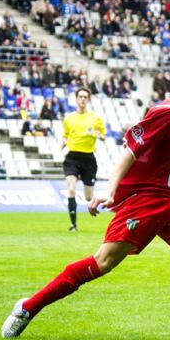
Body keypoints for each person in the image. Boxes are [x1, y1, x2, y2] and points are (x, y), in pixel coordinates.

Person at [1, 48, 170, 339]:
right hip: (149, 198)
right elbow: (130, 149)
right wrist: (110, 192)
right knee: (103, 262)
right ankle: (28, 307)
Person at [61, 87, 106, 232]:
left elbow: (103, 135)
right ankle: (73, 225)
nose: (82, 99)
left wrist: (99, 135)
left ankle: (95, 203)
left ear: (89, 100)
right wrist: (62, 143)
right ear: (76, 98)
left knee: (88, 197)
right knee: (71, 189)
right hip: (72, 157)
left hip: (88, 159)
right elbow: (66, 135)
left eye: (85, 97)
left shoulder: (95, 119)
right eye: (80, 96)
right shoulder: (69, 118)